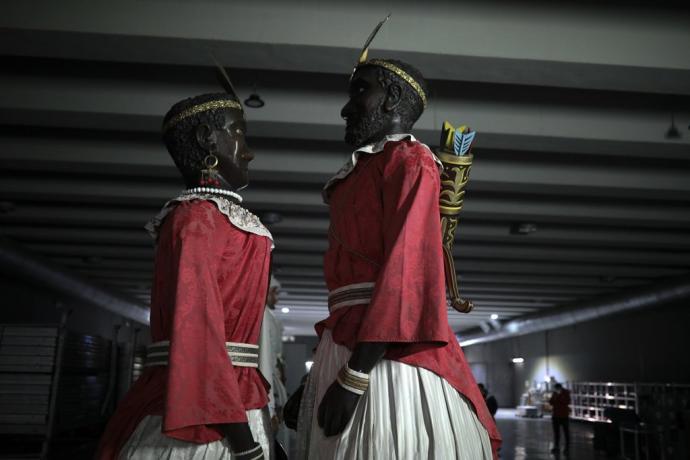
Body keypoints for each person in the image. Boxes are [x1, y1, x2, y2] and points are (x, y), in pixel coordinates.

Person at [295, 53, 501, 459]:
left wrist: (354, 379)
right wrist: (312, 385)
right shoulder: (357, 174)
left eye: (359, 90)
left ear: (391, 98)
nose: (345, 107)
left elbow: (406, 276)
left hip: (386, 359)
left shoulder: (410, 160)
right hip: (345, 348)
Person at [97, 92, 275, 459]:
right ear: (207, 138)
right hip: (208, 417)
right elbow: (198, 336)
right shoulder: (196, 220)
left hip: (233, 403)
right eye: (239, 133)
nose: (249, 152)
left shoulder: (208, 217)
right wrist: (245, 446)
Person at [259, 276, 289, 449]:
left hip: (274, 383)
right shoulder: (264, 316)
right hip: (267, 383)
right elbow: (266, 359)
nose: (276, 298)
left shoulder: (270, 317)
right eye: (274, 293)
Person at [549, 383, 571, 454]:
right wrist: (554, 398)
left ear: (560, 388)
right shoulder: (555, 393)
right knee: (556, 433)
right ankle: (556, 447)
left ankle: (567, 448)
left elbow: (567, 401)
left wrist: (560, 397)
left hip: (564, 416)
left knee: (566, 432)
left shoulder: (566, 392)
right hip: (556, 415)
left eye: (557, 389)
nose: (556, 390)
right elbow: (551, 402)